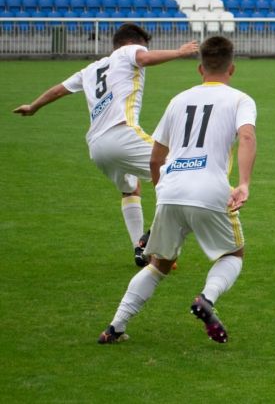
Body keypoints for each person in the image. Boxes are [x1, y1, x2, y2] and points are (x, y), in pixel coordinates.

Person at [98, 36, 257, 344]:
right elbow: (247, 137)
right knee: (233, 254)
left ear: (200, 68)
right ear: (232, 68)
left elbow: (156, 158)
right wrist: (244, 184)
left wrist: (162, 191)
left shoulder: (178, 100)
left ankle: (115, 326)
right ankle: (206, 299)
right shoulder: (240, 99)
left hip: (171, 189)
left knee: (159, 265)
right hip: (210, 190)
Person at [13, 24, 198, 266]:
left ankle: (139, 249)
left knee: (130, 189)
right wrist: (178, 52)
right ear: (131, 43)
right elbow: (143, 57)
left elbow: (59, 91)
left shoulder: (90, 69)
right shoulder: (128, 52)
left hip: (98, 147)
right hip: (122, 133)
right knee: (182, 172)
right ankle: (154, 240)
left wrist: (33, 107)